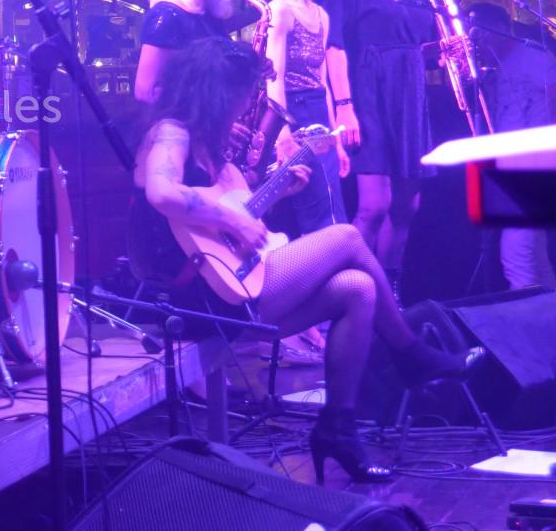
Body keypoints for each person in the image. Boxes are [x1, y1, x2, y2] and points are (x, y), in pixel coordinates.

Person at [130, 37, 479, 484]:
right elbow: (163, 194)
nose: (246, 107)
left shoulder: (211, 149)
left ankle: (337, 429)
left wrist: (276, 190)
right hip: (193, 301)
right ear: (218, 93)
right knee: (348, 236)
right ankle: (410, 354)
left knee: (359, 288)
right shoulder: (171, 132)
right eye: (242, 96)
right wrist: (231, 218)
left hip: (227, 287)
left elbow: (232, 224)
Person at [319, 0, 437, 299]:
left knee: (408, 206)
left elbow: (425, 49)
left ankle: (390, 294)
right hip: (368, 94)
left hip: (410, 99)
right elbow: (333, 42)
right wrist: (345, 107)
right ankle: (355, 293)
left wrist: (446, 51)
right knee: (373, 206)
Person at [264, 0, 348, 234]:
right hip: (294, 116)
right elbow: (274, 77)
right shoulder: (281, 10)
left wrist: (335, 141)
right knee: (318, 212)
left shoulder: (321, 15)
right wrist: (282, 133)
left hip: (318, 117)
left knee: (332, 206)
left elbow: (322, 82)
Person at [469, 2, 556, 289]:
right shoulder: (495, 70)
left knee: (517, 253)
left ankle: (527, 321)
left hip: (536, 164)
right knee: (533, 255)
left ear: (500, 28)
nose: (478, 41)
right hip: (517, 166)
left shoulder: (534, 57)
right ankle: (545, 318)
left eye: (481, 32)